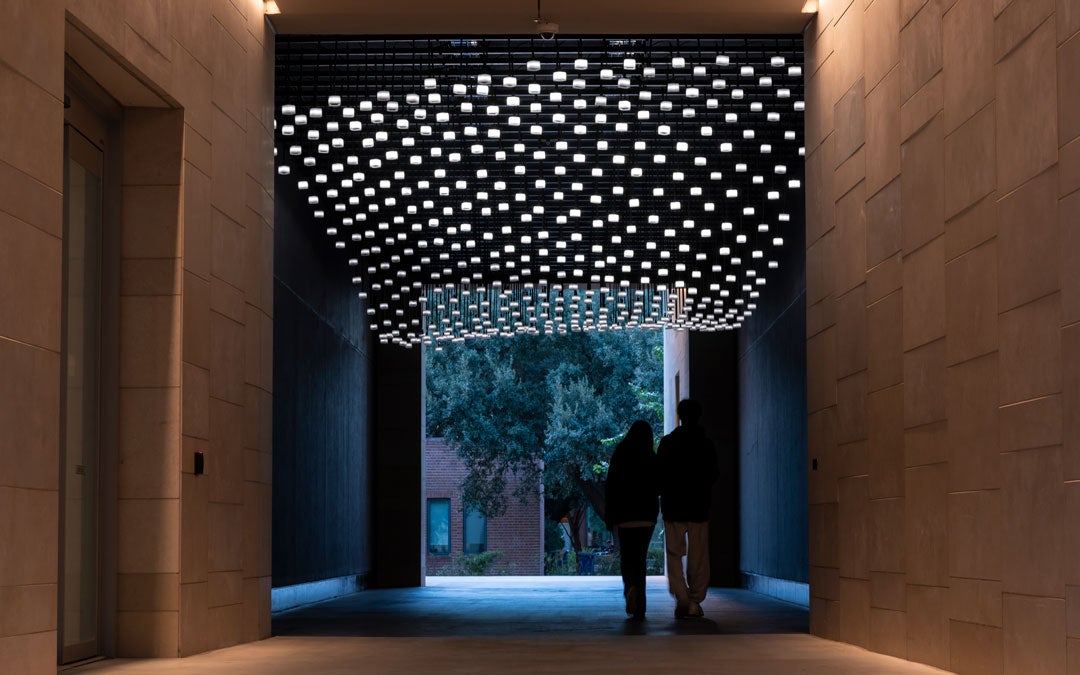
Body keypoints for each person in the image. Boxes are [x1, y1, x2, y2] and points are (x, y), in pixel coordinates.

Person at [657, 399, 718, 619]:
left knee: (674, 554)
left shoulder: (667, 443)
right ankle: (694, 600)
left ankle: (681, 596)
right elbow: (713, 474)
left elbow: (659, 475)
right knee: (699, 556)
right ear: (699, 416)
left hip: (673, 506)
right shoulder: (706, 444)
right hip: (699, 507)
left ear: (679, 415)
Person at [604, 420, 659, 620]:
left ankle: (630, 588)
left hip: (625, 516)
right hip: (646, 517)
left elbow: (610, 486)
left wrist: (609, 518)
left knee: (627, 558)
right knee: (640, 559)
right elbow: (659, 485)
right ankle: (641, 606)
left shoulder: (620, 454)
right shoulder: (650, 456)